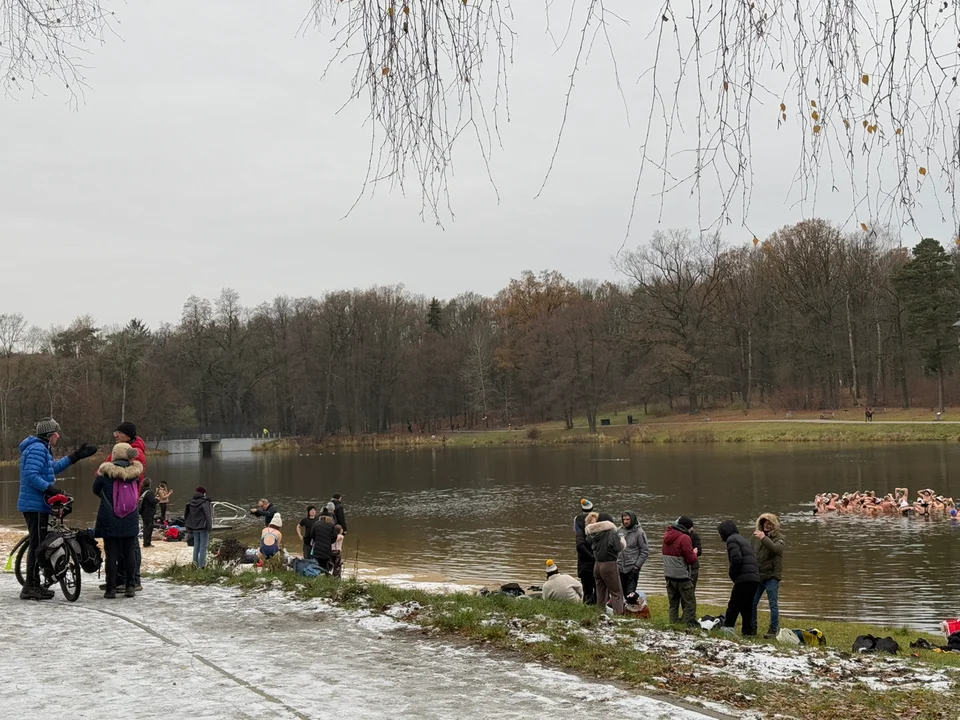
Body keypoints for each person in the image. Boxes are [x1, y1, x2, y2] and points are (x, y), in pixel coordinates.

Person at [17, 418, 97, 600]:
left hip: (38, 504)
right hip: (35, 505)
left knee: (38, 543)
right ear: (48, 435)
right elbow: (31, 475)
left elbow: (52, 468)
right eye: (56, 433)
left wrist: (76, 456)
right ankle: (30, 585)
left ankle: (34, 583)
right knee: (37, 545)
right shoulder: (37, 448)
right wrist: (49, 489)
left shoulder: (42, 448)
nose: (58, 435)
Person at [93, 443, 144, 599]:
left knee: (111, 554)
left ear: (114, 454)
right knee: (129, 553)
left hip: (110, 519)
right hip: (130, 518)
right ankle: (130, 587)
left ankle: (111, 589)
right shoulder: (135, 474)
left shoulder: (106, 473)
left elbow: (95, 489)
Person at [111, 421, 147, 592]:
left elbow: (131, 475)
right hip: (120, 501)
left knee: (131, 542)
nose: (115, 435)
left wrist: (105, 474)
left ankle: (133, 579)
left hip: (128, 501)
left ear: (127, 435)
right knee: (125, 541)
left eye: (118, 432)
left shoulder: (134, 452)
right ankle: (122, 578)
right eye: (115, 432)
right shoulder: (122, 449)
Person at [718, 519, 760, 636]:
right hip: (754, 577)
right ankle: (749, 632)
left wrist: (733, 574)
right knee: (747, 607)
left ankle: (728, 630)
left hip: (744, 578)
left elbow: (736, 559)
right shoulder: (741, 539)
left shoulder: (731, 540)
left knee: (734, 605)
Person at [586, 511, 626, 615]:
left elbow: (588, 542)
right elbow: (618, 548)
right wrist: (622, 540)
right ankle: (619, 615)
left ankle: (600, 614)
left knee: (601, 592)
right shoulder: (611, 533)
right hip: (609, 564)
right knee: (617, 593)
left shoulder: (593, 533)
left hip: (597, 565)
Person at [752, 513, 785, 638]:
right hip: (759, 575)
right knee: (752, 602)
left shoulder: (780, 538)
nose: (766, 525)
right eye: (764, 522)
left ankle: (773, 630)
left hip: (772, 576)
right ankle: (752, 628)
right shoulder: (757, 537)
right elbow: (752, 551)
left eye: (769, 523)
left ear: (774, 525)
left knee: (773, 604)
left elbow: (775, 549)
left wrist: (763, 538)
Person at [662, 516, 699, 625]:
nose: (691, 530)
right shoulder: (684, 538)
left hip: (668, 575)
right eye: (691, 528)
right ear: (687, 527)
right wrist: (695, 552)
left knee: (673, 603)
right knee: (690, 603)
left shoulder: (667, 535)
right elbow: (690, 559)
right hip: (682, 576)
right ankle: (686, 625)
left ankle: (673, 624)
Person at [617, 511, 649, 598]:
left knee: (630, 593)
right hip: (620, 567)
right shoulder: (618, 530)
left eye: (628, 519)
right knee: (620, 592)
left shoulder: (639, 532)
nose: (626, 521)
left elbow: (644, 551)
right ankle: (622, 610)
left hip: (632, 567)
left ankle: (635, 605)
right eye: (624, 519)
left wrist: (637, 566)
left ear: (632, 519)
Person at [574, 498, 597, 605]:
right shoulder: (597, 518)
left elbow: (577, 535)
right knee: (598, 587)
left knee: (587, 589)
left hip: (583, 559)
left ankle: (587, 605)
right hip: (596, 557)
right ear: (592, 509)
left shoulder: (577, 519)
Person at [185, 487, 213, 568]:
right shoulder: (205, 502)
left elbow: (187, 515)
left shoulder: (190, 502)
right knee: (203, 546)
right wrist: (209, 527)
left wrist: (188, 527)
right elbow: (207, 515)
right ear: (203, 493)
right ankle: (202, 566)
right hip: (203, 527)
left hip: (194, 527)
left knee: (196, 546)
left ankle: (194, 564)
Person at [139, 478, 159, 547]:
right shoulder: (149, 492)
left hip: (143, 512)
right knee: (148, 528)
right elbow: (152, 502)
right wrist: (157, 499)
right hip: (149, 513)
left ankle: (145, 542)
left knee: (145, 527)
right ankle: (147, 543)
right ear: (149, 484)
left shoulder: (142, 491)